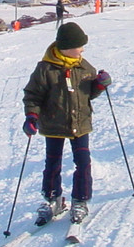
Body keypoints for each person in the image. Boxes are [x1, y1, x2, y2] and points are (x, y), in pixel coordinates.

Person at [22, 22, 111, 227]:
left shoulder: (85, 67)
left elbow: (89, 93)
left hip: (80, 124)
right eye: (79, 46)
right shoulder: (45, 69)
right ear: (67, 48)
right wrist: (31, 117)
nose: (82, 50)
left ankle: (80, 200)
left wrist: (99, 85)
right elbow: (32, 95)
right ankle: (53, 199)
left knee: (83, 161)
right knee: (52, 162)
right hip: (53, 123)